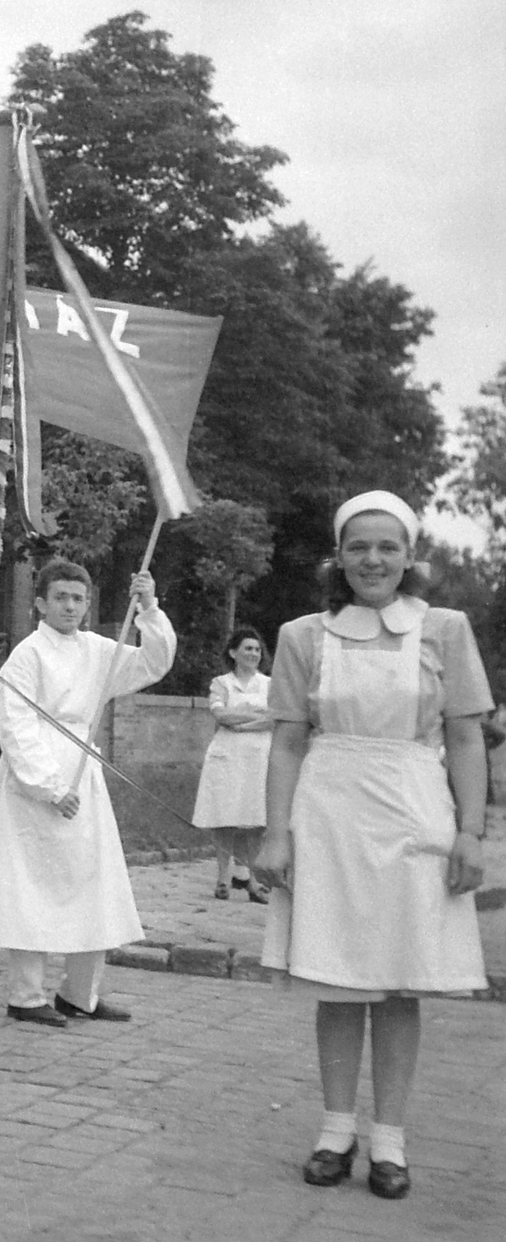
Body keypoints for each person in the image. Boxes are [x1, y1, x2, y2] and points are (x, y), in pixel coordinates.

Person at [254, 491, 489, 1201]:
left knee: (396, 982)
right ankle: (335, 1131)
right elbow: (289, 740)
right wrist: (274, 832)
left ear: (410, 556)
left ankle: (390, 1141)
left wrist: (471, 834)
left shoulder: (446, 630)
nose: (373, 559)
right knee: (335, 976)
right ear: (339, 556)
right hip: (329, 814)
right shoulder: (304, 636)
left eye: (387, 546)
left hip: (416, 811)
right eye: (359, 546)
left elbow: (466, 737)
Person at [0, 560, 175, 1027]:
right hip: (38, 779)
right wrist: (49, 787)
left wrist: (148, 607)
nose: (70, 606)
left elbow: (153, 663)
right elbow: (16, 725)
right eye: (60, 597)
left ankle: (80, 993)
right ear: (41, 603)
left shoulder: (99, 650)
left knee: (93, 881)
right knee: (32, 884)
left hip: (83, 769)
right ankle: (25, 995)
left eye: (78, 599)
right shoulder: (27, 655)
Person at [192, 626, 272, 902]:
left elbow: (274, 719)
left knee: (256, 820)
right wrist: (252, 714)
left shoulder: (269, 685)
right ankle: (224, 877)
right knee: (224, 816)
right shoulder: (221, 683)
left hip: (258, 756)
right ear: (233, 652)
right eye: (248, 648)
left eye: (257, 649)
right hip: (227, 756)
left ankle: (252, 879)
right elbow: (221, 715)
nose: (253, 653)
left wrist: (243, 721)